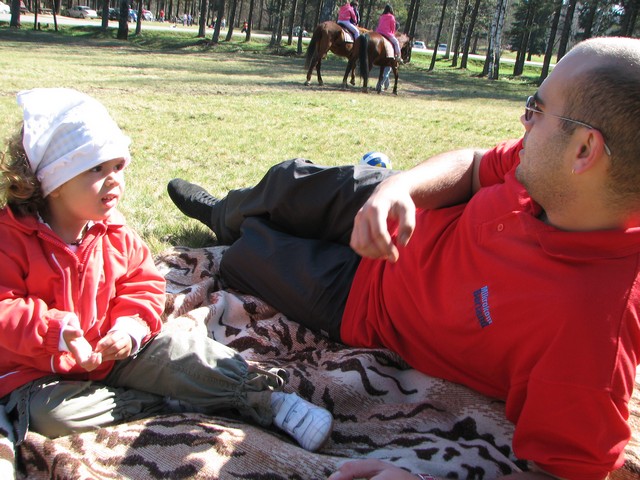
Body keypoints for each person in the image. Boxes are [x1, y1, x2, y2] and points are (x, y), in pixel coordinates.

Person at [168, 37, 640, 479]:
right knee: (287, 180)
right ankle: (219, 212)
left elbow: (568, 470)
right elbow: (477, 165)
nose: (524, 120)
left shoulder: (593, 331)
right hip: (402, 207)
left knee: (248, 255)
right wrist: (401, 186)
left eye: (536, 108)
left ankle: (237, 229)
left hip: (365, 302)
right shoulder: (556, 175)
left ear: (584, 149)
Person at [0, 88, 334, 459]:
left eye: (118, 166)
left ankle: (266, 398)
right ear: (54, 182)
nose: (113, 179)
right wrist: (56, 332)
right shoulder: (10, 239)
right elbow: (4, 306)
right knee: (49, 416)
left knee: (182, 352)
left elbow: (142, 284)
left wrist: (128, 328)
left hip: (115, 352)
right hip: (38, 370)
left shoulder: (115, 233)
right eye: (96, 169)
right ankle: (165, 402)